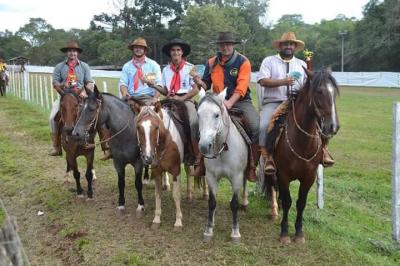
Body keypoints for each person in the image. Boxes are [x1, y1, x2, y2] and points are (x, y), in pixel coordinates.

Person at [257, 32, 334, 175]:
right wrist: (283, 82)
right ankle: (268, 158)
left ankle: (323, 151)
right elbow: (262, 81)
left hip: (296, 103)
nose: (288, 46)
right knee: (263, 125)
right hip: (274, 102)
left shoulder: (302, 64)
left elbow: (308, 87)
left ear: (295, 47)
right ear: (280, 46)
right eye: (286, 44)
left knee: (319, 121)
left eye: (291, 44)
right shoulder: (269, 61)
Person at [192, 32, 260, 182]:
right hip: (217, 100)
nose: (225, 47)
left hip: (241, 101)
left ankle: (252, 167)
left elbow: (242, 87)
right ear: (219, 46)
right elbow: (206, 84)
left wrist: (229, 103)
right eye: (222, 44)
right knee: (194, 125)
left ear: (233, 45)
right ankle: (200, 163)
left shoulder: (243, 62)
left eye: (228, 44)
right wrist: (198, 81)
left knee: (256, 126)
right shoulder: (211, 62)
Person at [49, 41, 112, 160]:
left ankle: (106, 145)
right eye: (69, 51)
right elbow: (55, 83)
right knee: (52, 118)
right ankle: (56, 146)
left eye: (74, 51)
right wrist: (63, 85)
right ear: (66, 53)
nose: (72, 53)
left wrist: (85, 92)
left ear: (77, 53)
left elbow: (89, 82)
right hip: (65, 97)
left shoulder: (84, 66)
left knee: (98, 113)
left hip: (81, 95)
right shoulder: (59, 67)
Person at [153, 38, 200, 165]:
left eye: (178, 50)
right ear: (170, 53)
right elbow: (164, 90)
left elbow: (196, 89)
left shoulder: (191, 68)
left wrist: (182, 98)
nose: (176, 52)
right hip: (169, 99)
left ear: (182, 52)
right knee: (153, 119)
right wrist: (152, 85)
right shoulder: (166, 70)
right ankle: (155, 152)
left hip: (186, 99)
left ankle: (196, 154)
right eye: (173, 50)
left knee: (193, 122)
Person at [119, 37, 161, 105]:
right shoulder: (126, 66)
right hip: (131, 97)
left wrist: (155, 98)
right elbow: (123, 83)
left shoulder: (153, 65)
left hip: (148, 97)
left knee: (148, 113)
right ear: (133, 49)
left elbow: (159, 84)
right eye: (136, 47)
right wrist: (125, 93)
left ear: (145, 50)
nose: (138, 49)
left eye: (141, 47)